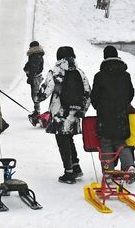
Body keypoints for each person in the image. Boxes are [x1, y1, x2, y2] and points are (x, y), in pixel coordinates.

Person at [35, 46, 91, 184]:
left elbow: (44, 93)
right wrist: (82, 110)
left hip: (60, 114)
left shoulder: (55, 72)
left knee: (62, 142)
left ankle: (69, 172)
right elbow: (88, 93)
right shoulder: (80, 72)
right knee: (69, 139)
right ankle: (75, 167)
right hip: (74, 113)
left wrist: (37, 98)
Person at [90, 46, 135, 177]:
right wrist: (123, 104)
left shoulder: (99, 76)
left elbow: (94, 96)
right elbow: (130, 93)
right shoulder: (125, 75)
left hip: (105, 116)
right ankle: (129, 166)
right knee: (121, 141)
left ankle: (108, 171)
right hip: (121, 114)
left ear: (105, 57)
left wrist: (99, 106)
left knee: (106, 142)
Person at [23, 41, 45, 123]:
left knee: (35, 95)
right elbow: (31, 64)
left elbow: (34, 68)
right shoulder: (36, 54)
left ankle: (37, 112)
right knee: (34, 94)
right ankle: (36, 110)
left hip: (35, 77)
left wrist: (30, 78)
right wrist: (26, 67)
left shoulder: (35, 55)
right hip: (36, 77)